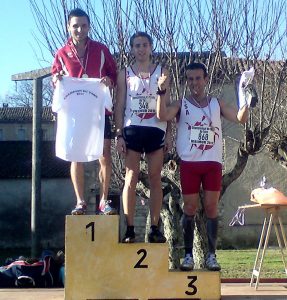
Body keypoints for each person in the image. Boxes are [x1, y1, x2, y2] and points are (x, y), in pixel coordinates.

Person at [156, 62, 250, 270]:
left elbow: (240, 118)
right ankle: (188, 255)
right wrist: (161, 92)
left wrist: (245, 98)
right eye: (190, 79)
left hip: (212, 163)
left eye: (198, 78)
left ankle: (211, 255)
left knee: (211, 207)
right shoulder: (182, 104)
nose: (194, 83)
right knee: (189, 208)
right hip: (190, 163)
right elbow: (162, 115)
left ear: (206, 79)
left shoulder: (216, 103)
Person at [51, 8, 117, 215]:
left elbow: (114, 75)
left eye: (84, 25)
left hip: (97, 112)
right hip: (74, 113)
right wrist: (57, 79)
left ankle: (104, 200)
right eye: (75, 26)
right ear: (68, 27)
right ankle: (80, 201)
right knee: (75, 156)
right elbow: (55, 78)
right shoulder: (61, 53)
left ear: (89, 27)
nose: (80, 29)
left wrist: (109, 81)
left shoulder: (101, 49)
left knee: (105, 155)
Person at [114, 31, 172, 243]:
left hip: (156, 129)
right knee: (131, 177)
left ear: (151, 47)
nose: (141, 49)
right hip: (133, 129)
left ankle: (154, 228)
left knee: (156, 178)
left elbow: (168, 104)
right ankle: (130, 229)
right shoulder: (125, 74)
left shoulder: (162, 72)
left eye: (145, 45)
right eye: (137, 45)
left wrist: (170, 134)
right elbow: (119, 105)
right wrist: (118, 134)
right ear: (132, 48)